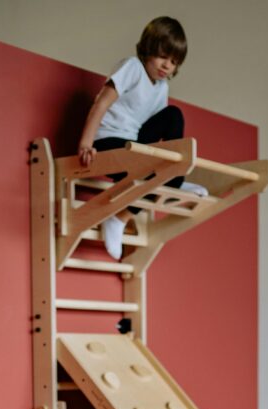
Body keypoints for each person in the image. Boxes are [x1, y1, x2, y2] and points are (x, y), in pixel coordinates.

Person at [77, 15, 208, 259]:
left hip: (133, 143)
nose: (166, 65)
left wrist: (171, 167)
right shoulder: (133, 67)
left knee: (173, 115)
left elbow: (162, 130)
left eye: (173, 61)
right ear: (148, 49)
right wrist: (86, 143)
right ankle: (119, 218)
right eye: (162, 56)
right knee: (155, 171)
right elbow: (102, 102)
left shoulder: (162, 88)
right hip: (108, 142)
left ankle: (175, 178)